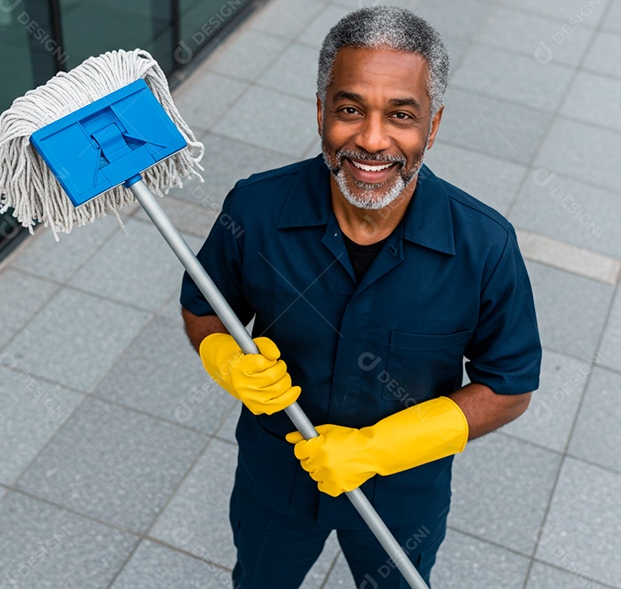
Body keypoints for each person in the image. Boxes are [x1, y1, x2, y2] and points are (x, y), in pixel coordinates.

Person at [180, 6, 542, 588]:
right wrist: (223, 357)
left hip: (402, 495)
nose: (372, 141)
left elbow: (509, 386)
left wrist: (379, 447)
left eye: (401, 115)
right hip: (277, 477)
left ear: (434, 125)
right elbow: (202, 308)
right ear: (321, 111)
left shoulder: (485, 245)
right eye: (350, 110)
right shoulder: (255, 209)